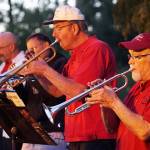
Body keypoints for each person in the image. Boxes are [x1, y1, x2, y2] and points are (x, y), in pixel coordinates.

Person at [21, 5, 117, 150]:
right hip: (75, 135)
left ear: (74, 28)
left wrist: (45, 69)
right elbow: (57, 91)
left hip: (95, 136)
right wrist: (37, 73)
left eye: (58, 28)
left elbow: (80, 92)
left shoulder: (95, 48)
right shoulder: (74, 55)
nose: (53, 34)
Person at [86, 33, 150, 150]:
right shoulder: (136, 88)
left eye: (137, 57)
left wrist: (113, 101)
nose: (130, 62)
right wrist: (105, 104)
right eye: (129, 56)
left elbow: (145, 131)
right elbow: (111, 128)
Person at [19, 33, 67, 150]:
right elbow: (26, 99)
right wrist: (15, 83)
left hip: (53, 131)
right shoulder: (33, 66)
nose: (30, 53)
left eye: (34, 49)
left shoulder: (60, 63)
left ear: (46, 45)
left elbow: (54, 96)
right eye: (28, 50)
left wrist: (36, 73)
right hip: (34, 131)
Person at [0, 32, 25, 150]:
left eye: (0, 48)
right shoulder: (2, 66)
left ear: (11, 47)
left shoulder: (25, 62)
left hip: (18, 126)